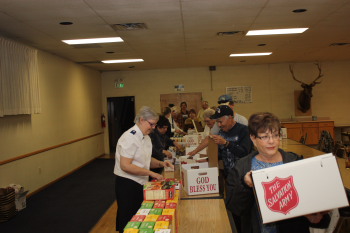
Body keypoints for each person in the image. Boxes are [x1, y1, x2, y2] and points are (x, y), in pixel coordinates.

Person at [225, 112, 330, 233]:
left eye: (275, 135)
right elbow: (236, 209)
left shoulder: (294, 162)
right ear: (253, 138)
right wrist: (245, 186)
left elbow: (307, 200)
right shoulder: (242, 167)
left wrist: (315, 215)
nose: (272, 141)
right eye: (264, 137)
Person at [114, 106, 174, 232]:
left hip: (140, 181)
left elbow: (146, 159)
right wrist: (151, 173)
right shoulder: (130, 137)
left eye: (155, 125)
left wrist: (161, 164)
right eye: (151, 124)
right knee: (128, 221)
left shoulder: (145, 136)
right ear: (141, 120)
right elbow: (125, 165)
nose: (153, 128)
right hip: (128, 184)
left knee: (139, 219)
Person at [209, 105, 253, 176]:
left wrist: (226, 143)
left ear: (230, 118)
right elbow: (221, 153)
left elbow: (244, 153)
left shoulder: (244, 130)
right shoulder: (221, 132)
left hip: (244, 175)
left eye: (220, 122)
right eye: (217, 122)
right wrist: (209, 159)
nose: (219, 125)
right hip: (229, 175)